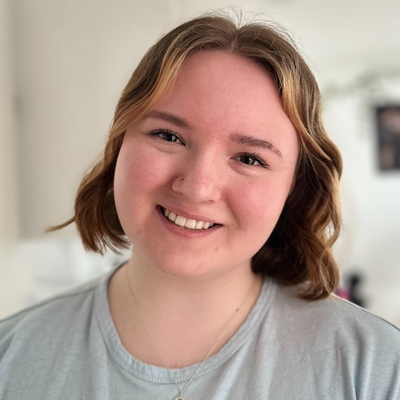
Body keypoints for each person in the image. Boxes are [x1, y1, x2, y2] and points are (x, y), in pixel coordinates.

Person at [1, 12, 399, 400]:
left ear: (294, 190)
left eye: (249, 158)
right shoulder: (11, 355)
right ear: (119, 142)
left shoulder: (376, 370)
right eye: (168, 136)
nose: (197, 188)